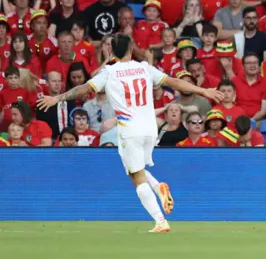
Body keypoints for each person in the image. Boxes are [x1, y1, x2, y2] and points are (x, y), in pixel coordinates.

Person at [37, 33, 224, 233]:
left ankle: (160, 220)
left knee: (136, 177)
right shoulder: (145, 68)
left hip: (130, 129)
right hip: (150, 128)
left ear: (110, 51)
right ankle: (158, 186)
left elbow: (83, 89)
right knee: (138, 169)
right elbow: (174, 82)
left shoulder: (109, 72)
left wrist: (57, 99)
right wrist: (203, 91)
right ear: (131, 48)